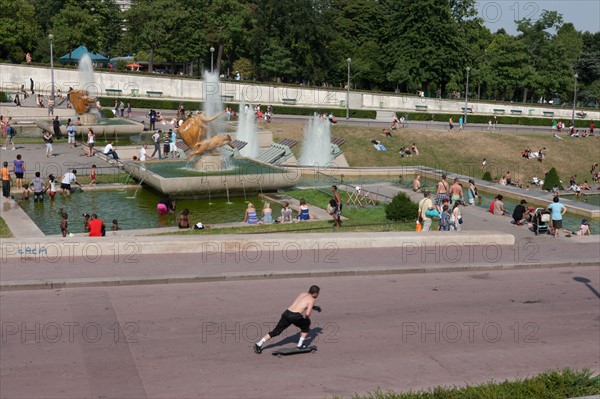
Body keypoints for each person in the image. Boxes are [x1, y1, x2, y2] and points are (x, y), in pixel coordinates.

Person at [254, 285, 320, 354]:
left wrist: (313, 307)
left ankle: (258, 344)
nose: (318, 294)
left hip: (287, 313)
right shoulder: (312, 299)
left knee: (276, 331)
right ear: (315, 293)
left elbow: (301, 304)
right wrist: (306, 319)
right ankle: (300, 345)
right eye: (318, 293)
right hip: (295, 316)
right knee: (306, 326)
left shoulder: (302, 294)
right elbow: (307, 314)